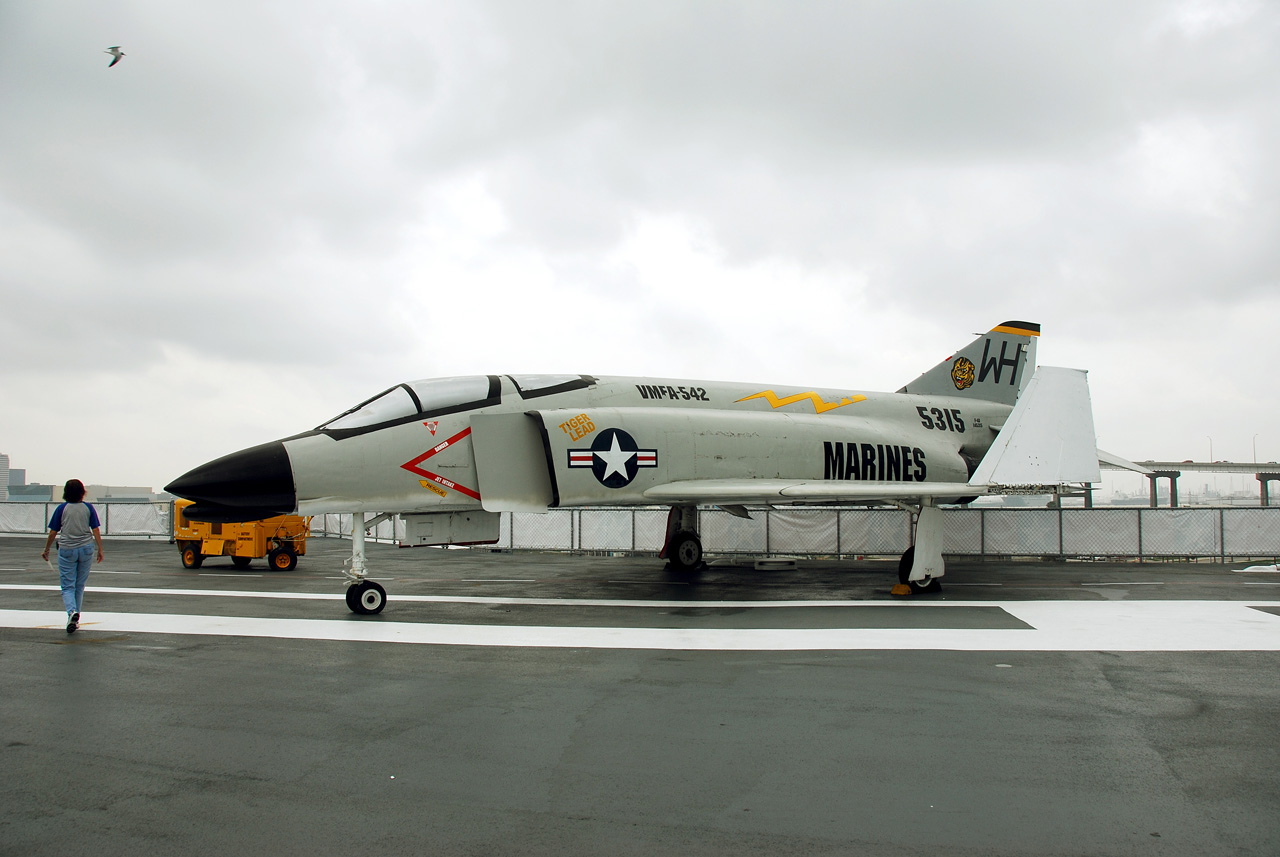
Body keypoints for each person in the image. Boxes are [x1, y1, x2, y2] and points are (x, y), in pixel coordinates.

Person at [40, 479, 104, 633]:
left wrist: (46, 549)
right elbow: (95, 530)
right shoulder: (89, 508)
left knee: (68, 586)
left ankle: (71, 612)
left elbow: (53, 532)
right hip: (86, 548)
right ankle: (76, 618)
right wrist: (100, 549)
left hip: (67, 549)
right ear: (82, 492)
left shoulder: (62, 509)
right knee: (79, 586)